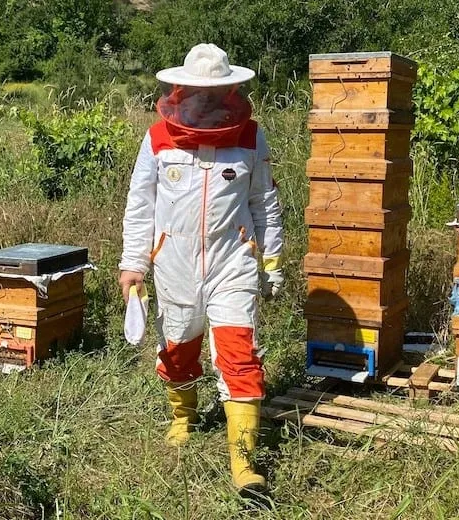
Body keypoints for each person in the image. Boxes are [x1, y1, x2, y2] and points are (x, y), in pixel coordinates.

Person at [118, 43, 284, 493]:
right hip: (173, 262)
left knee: (239, 353)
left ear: (231, 91)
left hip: (234, 261)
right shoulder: (158, 138)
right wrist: (133, 263)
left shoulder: (250, 137)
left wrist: (271, 261)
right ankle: (183, 417)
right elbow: (140, 205)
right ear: (182, 90)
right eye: (199, 91)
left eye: (216, 91)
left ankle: (244, 466)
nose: (207, 99)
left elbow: (264, 202)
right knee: (178, 347)